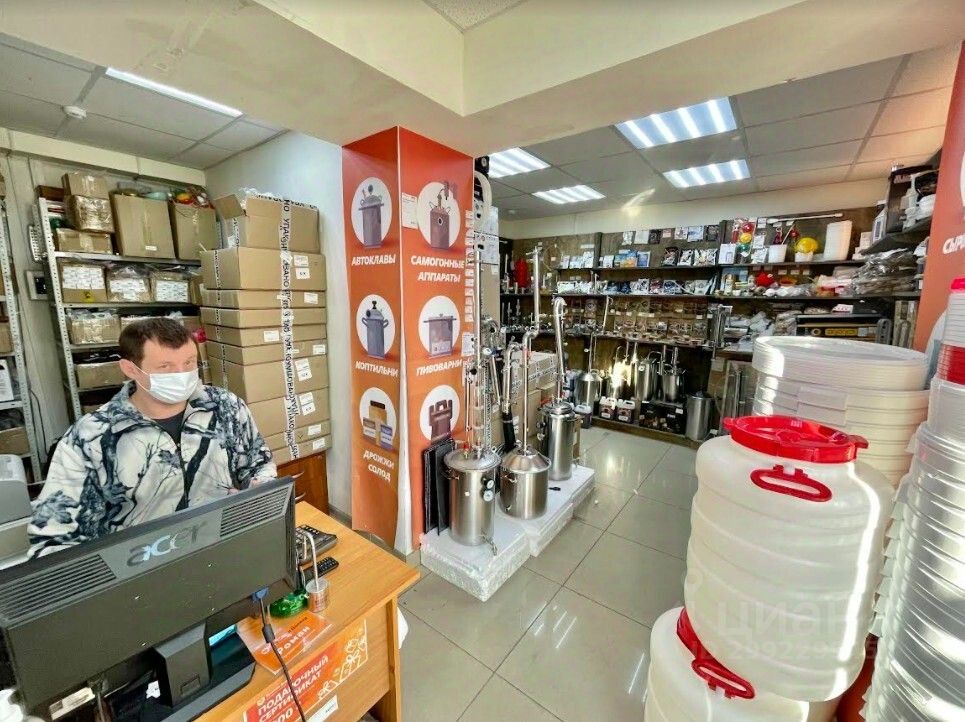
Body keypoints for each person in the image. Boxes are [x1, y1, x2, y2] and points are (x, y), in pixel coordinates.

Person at [29, 317, 276, 556]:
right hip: (142, 564)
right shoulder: (91, 436)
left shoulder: (225, 406)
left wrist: (258, 492)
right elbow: (54, 537)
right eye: (165, 367)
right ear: (130, 369)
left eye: (189, 362)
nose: (182, 374)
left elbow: (258, 463)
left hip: (224, 546)